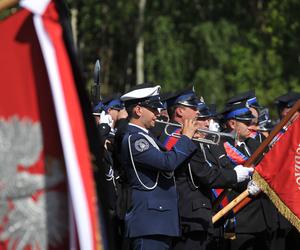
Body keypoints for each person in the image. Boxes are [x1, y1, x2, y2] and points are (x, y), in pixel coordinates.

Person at [158, 89, 254, 250]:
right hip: (189, 216)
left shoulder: (185, 136)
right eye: (194, 109)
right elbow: (204, 174)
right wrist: (235, 176)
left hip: (195, 215)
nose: (198, 112)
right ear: (180, 111)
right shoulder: (177, 137)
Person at [119, 84, 199, 250]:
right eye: (153, 109)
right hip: (149, 223)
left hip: (159, 222)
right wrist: (185, 139)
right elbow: (167, 163)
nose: (157, 113)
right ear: (139, 110)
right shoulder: (135, 140)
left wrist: (188, 141)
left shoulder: (146, 137)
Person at [220, 100, 278, 250]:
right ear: (233, 124)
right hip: (242, 219)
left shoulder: (255, 144)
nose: (251, 126)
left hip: (264, 218)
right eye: (246, 123)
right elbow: (224, 176)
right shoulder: (221, 146)